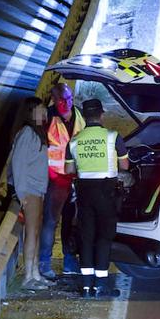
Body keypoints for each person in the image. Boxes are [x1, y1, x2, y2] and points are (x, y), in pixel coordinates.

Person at [65, 99, 128, 297]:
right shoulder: (112, 137)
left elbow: (68, 169)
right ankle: (101, 285)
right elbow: (125, 166)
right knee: (104, 237)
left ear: (84, 117)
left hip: (84, 192)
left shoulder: (74, 141)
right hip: (106, 192)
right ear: (102, 115)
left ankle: (86, 286)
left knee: (86, 237)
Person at [38, 83, 84, 279]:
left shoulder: (80, 115)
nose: (65, 103)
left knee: (70, 222)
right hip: (56, 179)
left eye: (68, 98)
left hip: (77, 178)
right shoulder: (48, 117)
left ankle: (69, 262)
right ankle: (44, 263)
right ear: (54, 100)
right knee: (50, 221)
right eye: (60, 100)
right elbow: (40, 148)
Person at [9, 96, 50, 290]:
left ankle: (35, 273)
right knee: (31, 233)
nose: (45, 113)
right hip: (30, 191)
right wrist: (22, 192)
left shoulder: (37, 133)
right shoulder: (26, 133)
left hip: (38, 190)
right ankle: (28, 277)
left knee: (35, 232)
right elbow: (18, 164)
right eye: (41, 110)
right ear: (31, 112)